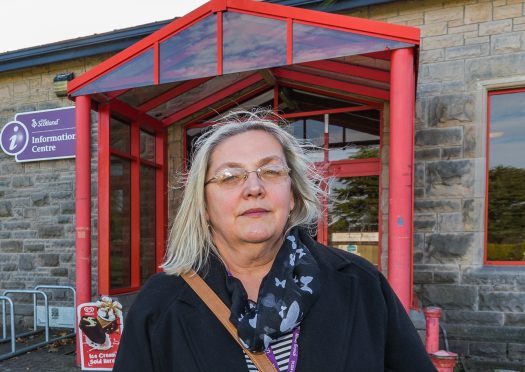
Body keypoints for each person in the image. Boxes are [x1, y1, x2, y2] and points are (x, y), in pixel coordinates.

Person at [113, 109, 436, 371]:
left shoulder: (361, 283)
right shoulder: (160, 303)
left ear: (292, 195)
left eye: (271, 171)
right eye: (230, 176)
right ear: (204, 205)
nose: (254, 187)